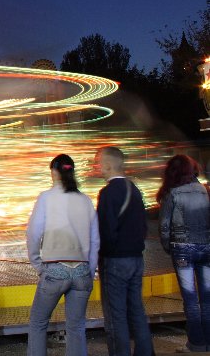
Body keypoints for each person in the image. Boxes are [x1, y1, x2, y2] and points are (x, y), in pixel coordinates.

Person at [26, 154, 99, 356]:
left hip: (54, 269)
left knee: (38, 322)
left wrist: (37, 263)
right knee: (76, 327)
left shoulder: (46, 198)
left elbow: (33, 233)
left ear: (54, 172)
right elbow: (95, 241)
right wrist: (90, 269)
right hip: (82, 270)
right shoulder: (85, 200)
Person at [96, 146, 155, 356]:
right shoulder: (134, 189)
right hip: (136, 258)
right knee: (137, 310)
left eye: (99, 162)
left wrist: (101, 257)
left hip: (115, 260)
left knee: (116, 315)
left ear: (109, 165)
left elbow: (106, 230)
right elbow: (143, 224)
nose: (98, 167)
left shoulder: (108, 193)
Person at [157, 154, 210, 353]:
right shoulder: (203, 190)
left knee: (190, 298)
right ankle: (208, 341)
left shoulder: (173, 193)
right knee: (206, 297)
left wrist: (167, 246)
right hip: (206, 248)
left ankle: (195, 343)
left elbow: (164, 225)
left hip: (182, 250)